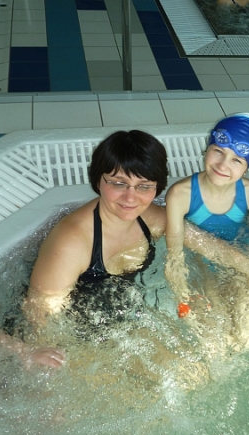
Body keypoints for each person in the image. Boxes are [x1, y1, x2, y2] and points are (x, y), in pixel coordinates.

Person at [23, 130, 169, 348]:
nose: (131, 197)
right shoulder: (72, 242)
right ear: (98, 181)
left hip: (118, 322)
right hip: (74, 335)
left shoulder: (149, 218)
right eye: (118, 183)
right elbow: (40, 321)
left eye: (144, 186)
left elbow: (206, 245)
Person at [164, 114, 249, 303]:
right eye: (218, 151)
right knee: (210, 304)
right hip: (201, 264)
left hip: (242, 261)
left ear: (246, 168)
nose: (222, 165)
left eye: (237, 160)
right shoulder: (181, 195)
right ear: (206, 149)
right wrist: (182, 293)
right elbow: (174, 254)